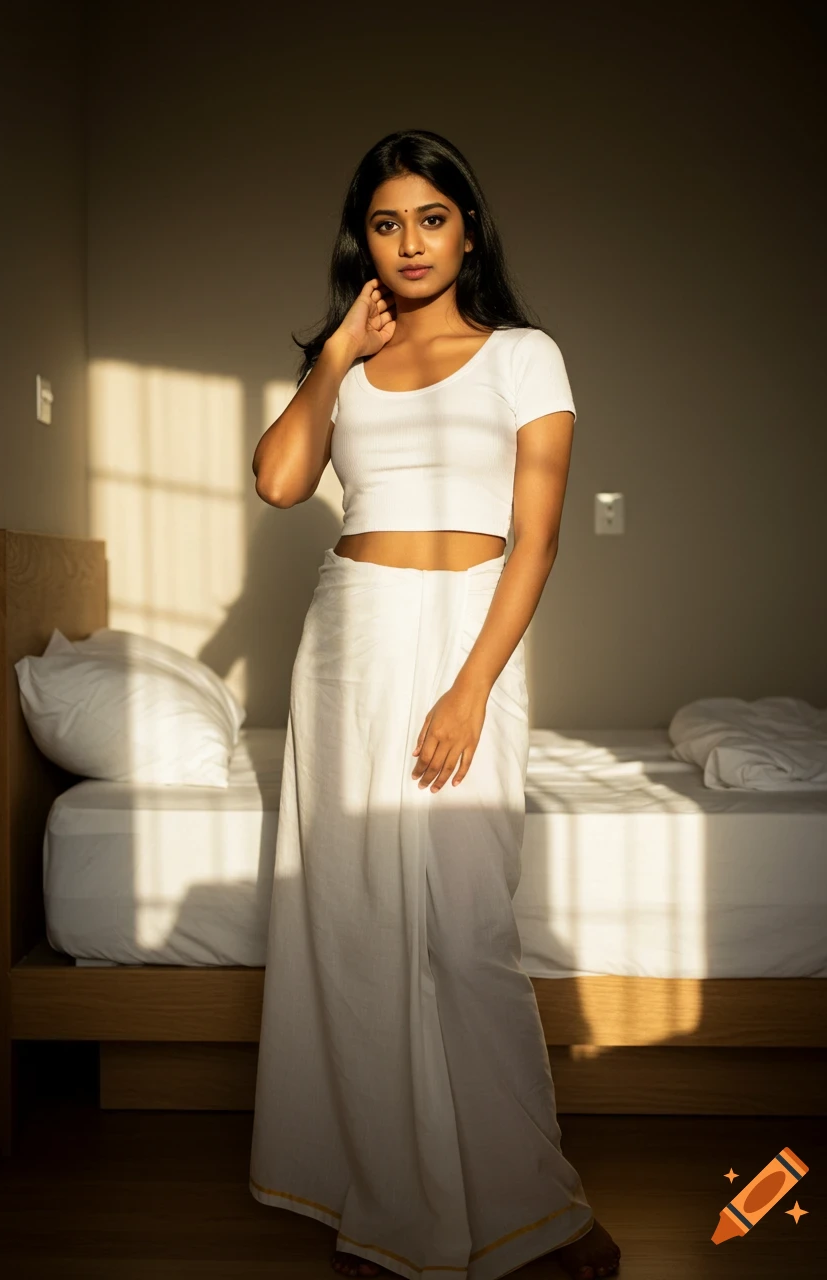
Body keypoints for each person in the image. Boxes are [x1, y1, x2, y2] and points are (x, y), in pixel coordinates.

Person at [249, 128, 622, 1280]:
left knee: (465, 930)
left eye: (430, 217)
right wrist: (330, 358)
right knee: (353, 919)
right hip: (347, 633)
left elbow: (536, 537)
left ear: (466, 230)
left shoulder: (523, 355)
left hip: (467, 630)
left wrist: (469, 685)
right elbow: (279, 481)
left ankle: (533, 1211)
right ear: (361, 240)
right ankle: (384, 1203)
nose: (408, 242)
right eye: (385, 222)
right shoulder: (347, 359)